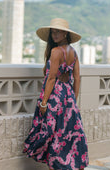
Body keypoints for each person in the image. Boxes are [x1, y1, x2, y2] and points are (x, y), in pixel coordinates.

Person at [23, 18, 89, 170]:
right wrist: (73, 100)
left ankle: (56, 165)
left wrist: (44, 102)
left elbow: (51, 78)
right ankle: (72, 164)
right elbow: (77, 78)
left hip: (55, 96)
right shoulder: (73, 52)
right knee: (69, 133)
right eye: (53, 32)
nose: (55, 35)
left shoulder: (55, 51)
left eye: (58, 31)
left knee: (52, 133)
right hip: (68, 96)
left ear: (66, 33)